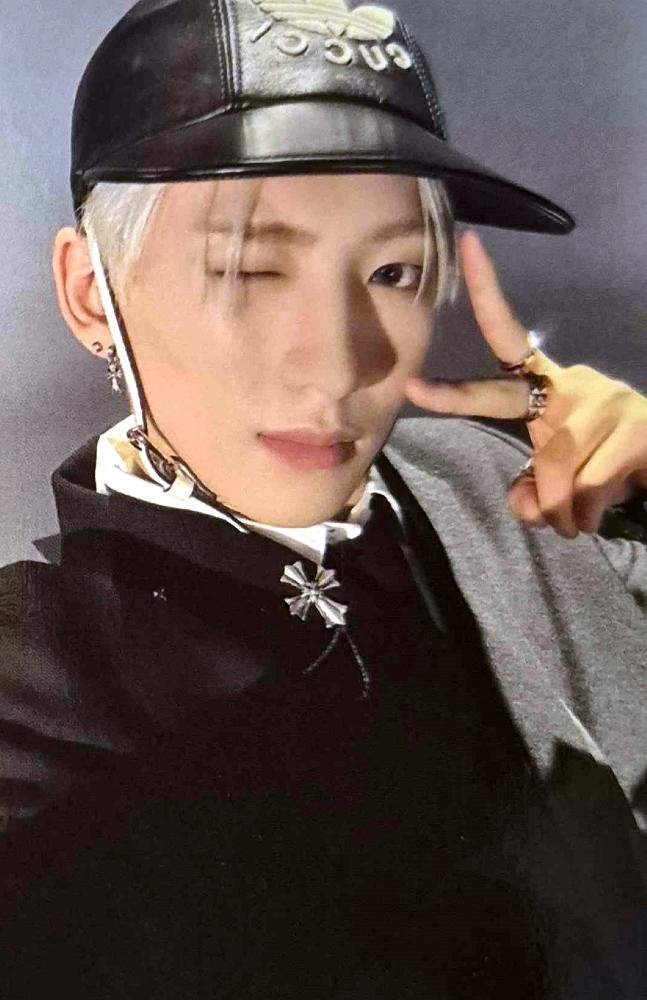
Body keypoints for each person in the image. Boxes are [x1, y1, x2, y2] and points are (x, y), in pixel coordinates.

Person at [1, 0, 646, 997]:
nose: (340, 361)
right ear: (93, 294)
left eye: (391, 271)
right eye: (249, 269)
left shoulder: (494, 489)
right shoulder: (27, 683)